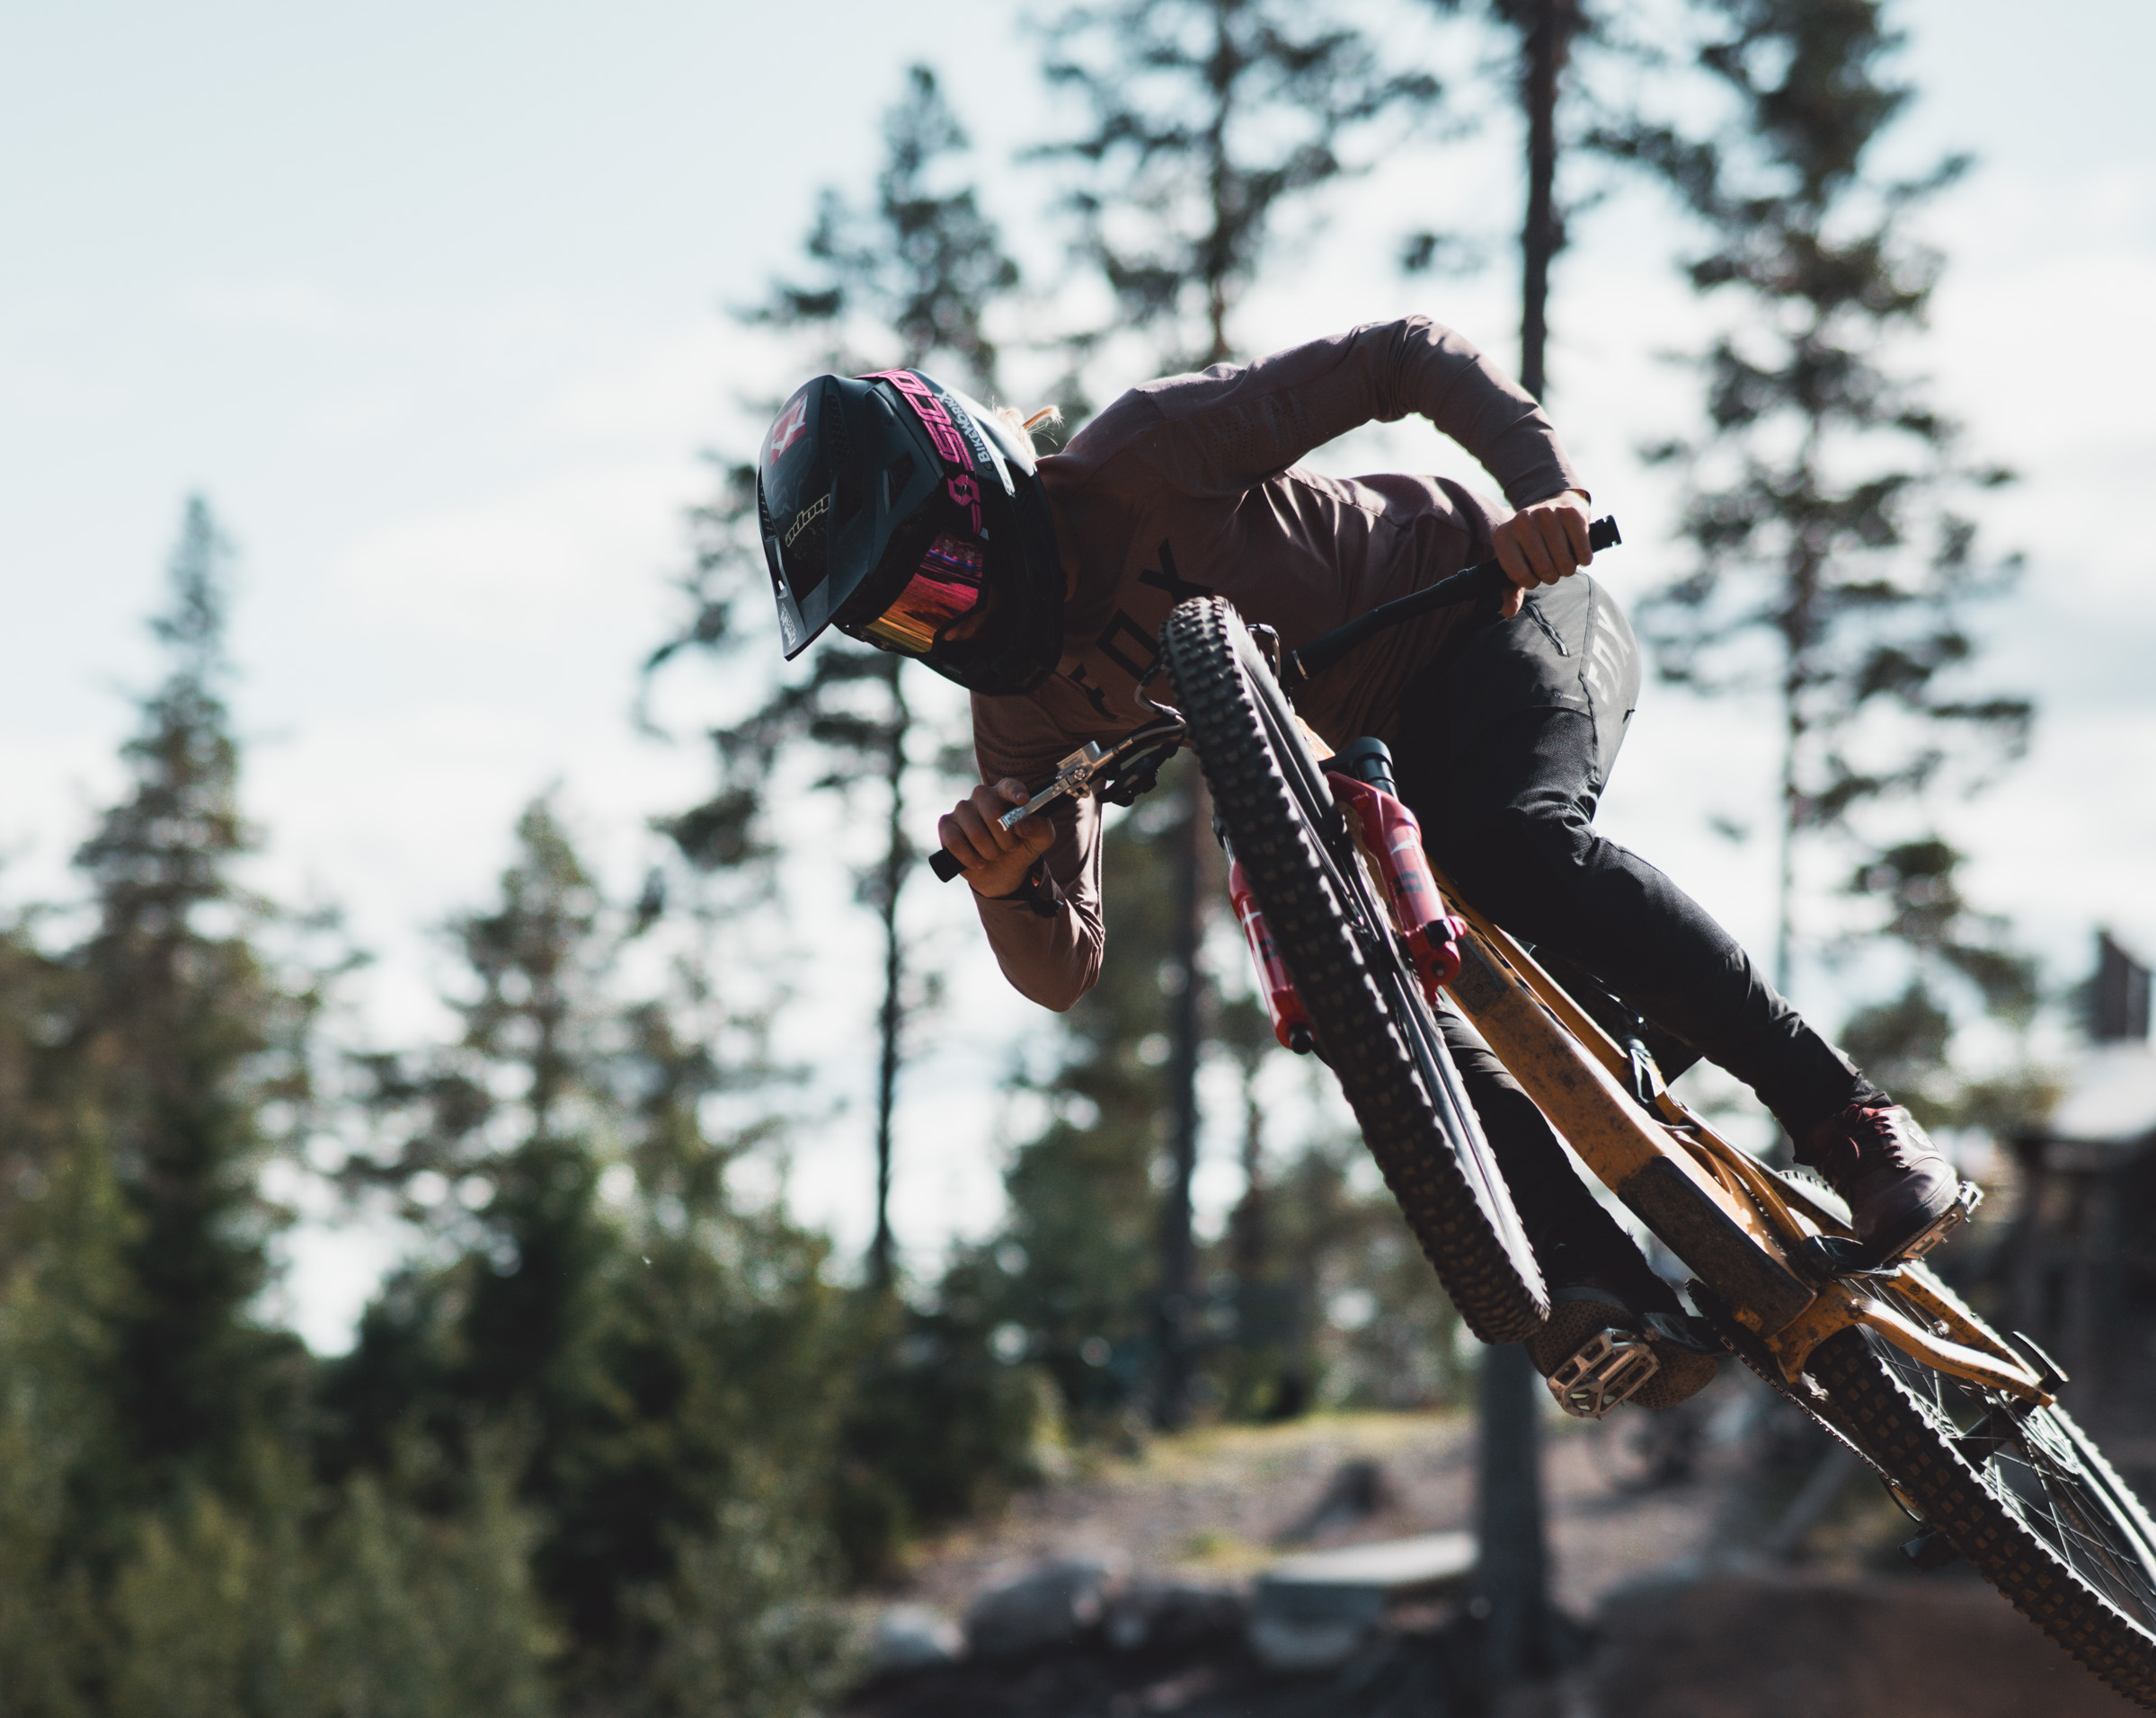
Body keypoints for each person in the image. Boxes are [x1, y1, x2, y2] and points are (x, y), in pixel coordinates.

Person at [752, 320, 1962, 1410]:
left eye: (937, 579)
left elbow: (1401, 357)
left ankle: (1850, 1119)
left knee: (1509, 841)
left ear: (973, 487)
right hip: (1361, 783)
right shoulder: (1025, 710)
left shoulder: (1149, 452)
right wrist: (1008, 881)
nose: (948, 623)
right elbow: (1064, 971)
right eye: (901, 621)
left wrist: (1544, 493)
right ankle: (1595, 1285)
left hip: (1502, 616)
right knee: (1346, 998)